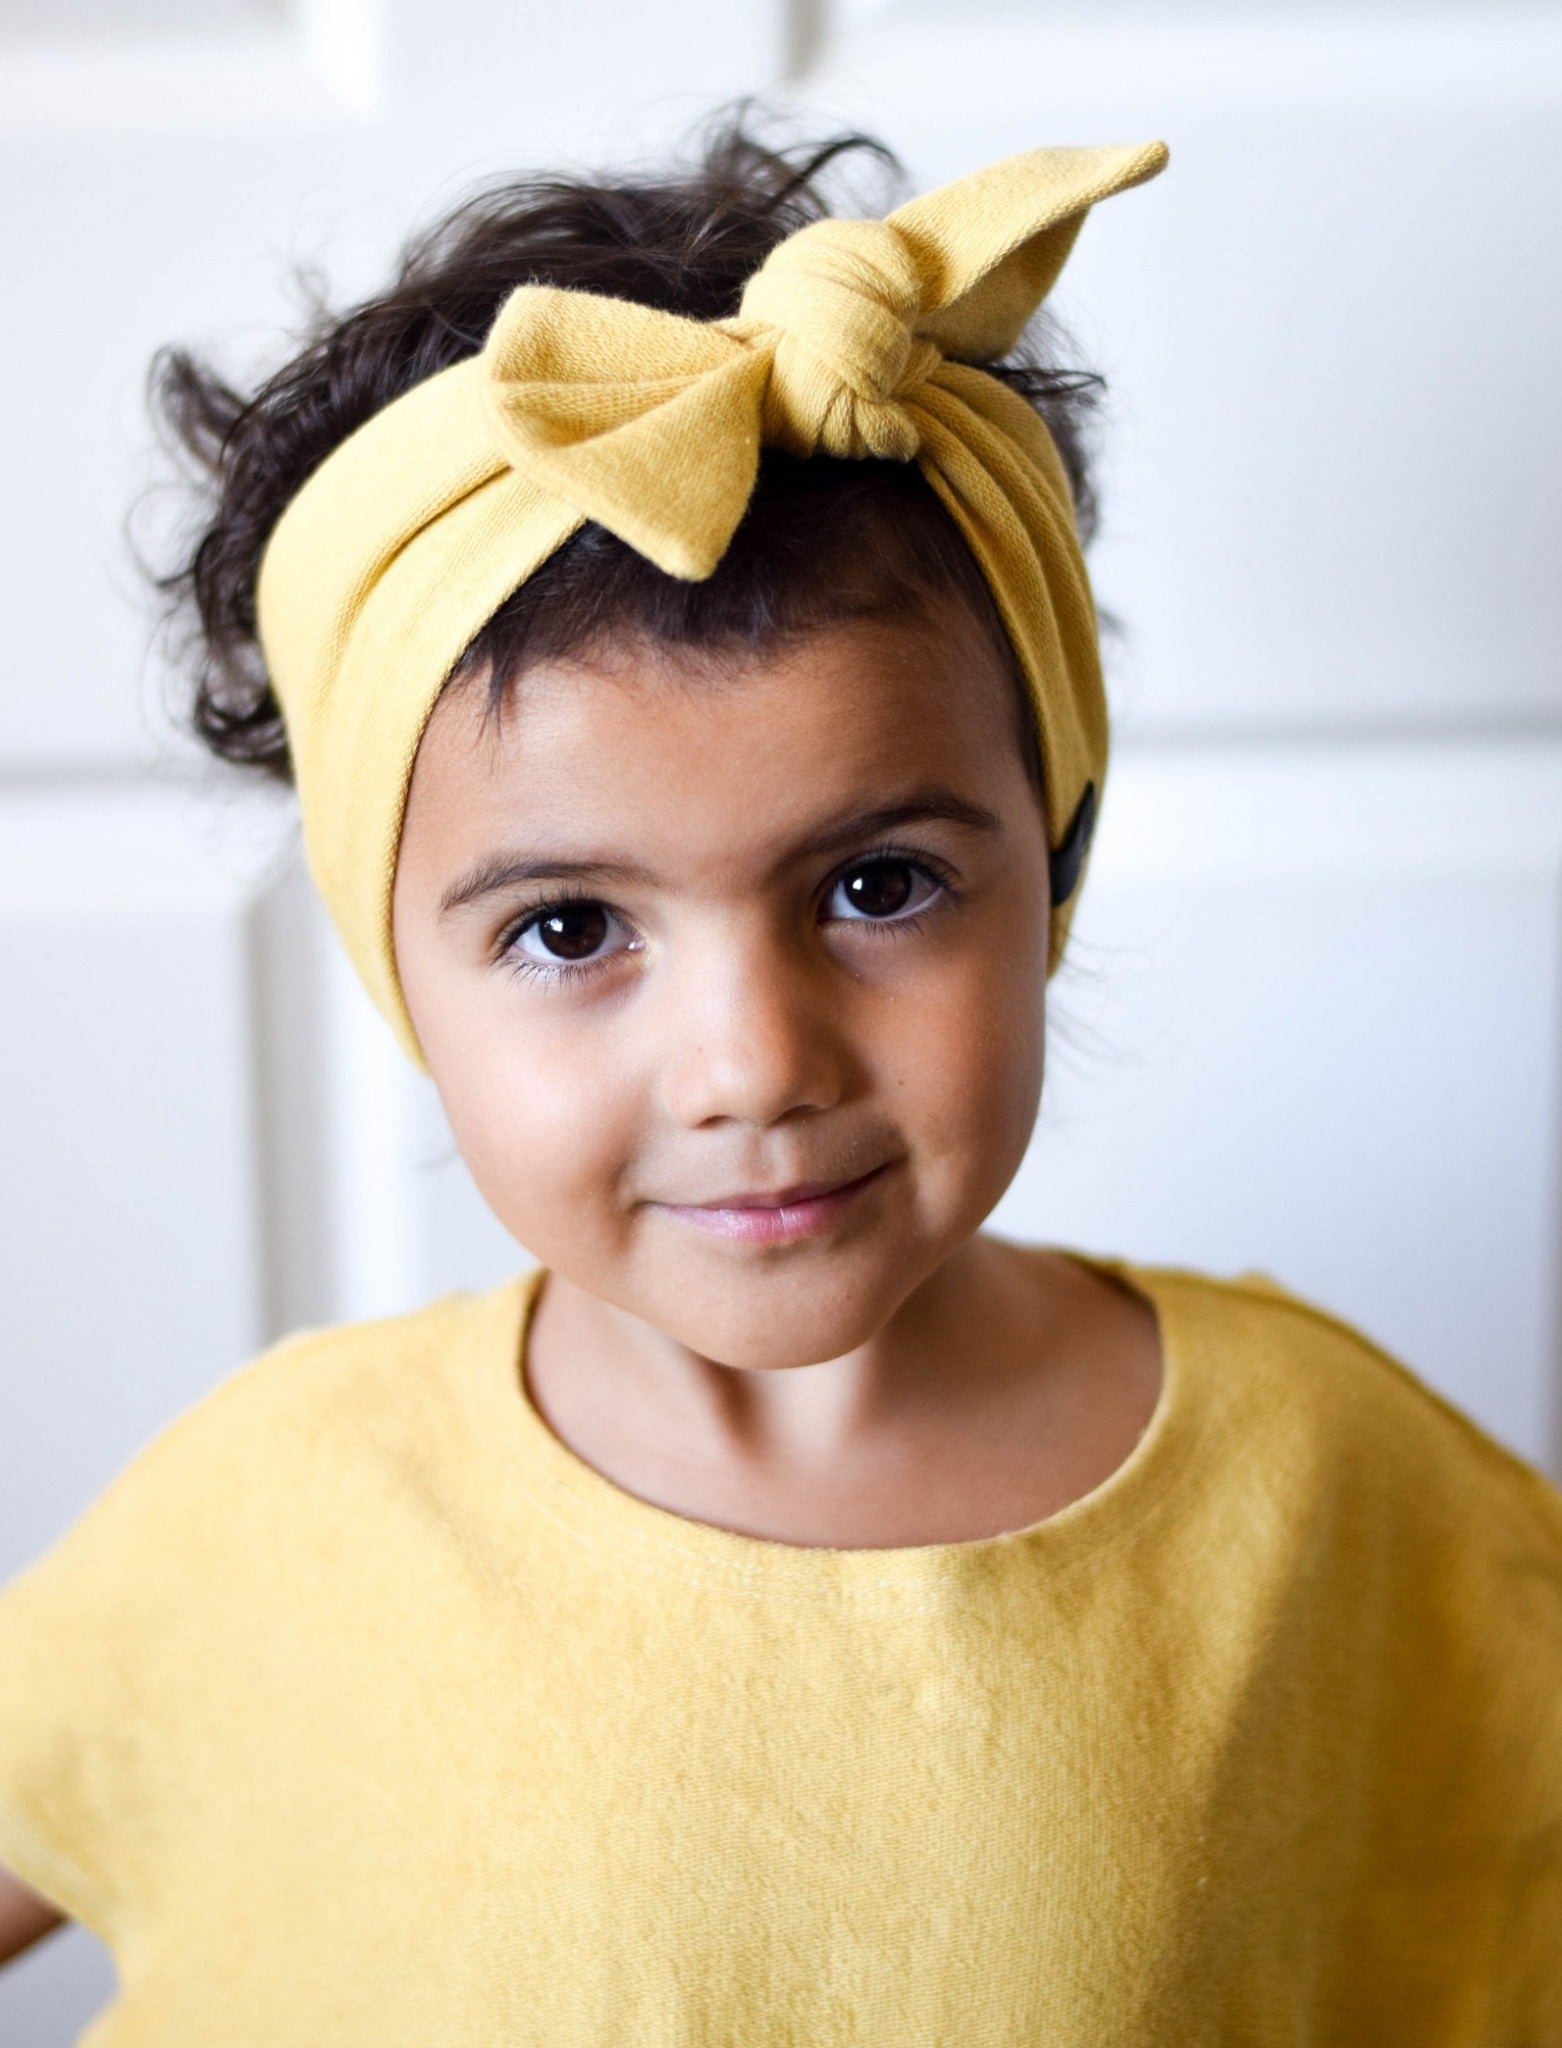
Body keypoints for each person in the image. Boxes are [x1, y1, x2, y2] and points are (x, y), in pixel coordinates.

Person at [0, 109, 1558, 2044]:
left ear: (1050, 859)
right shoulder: (273, 1511)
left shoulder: (1338, 1491)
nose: (751, 1065)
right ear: (397, 968)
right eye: (571, 927)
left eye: (877, 886)